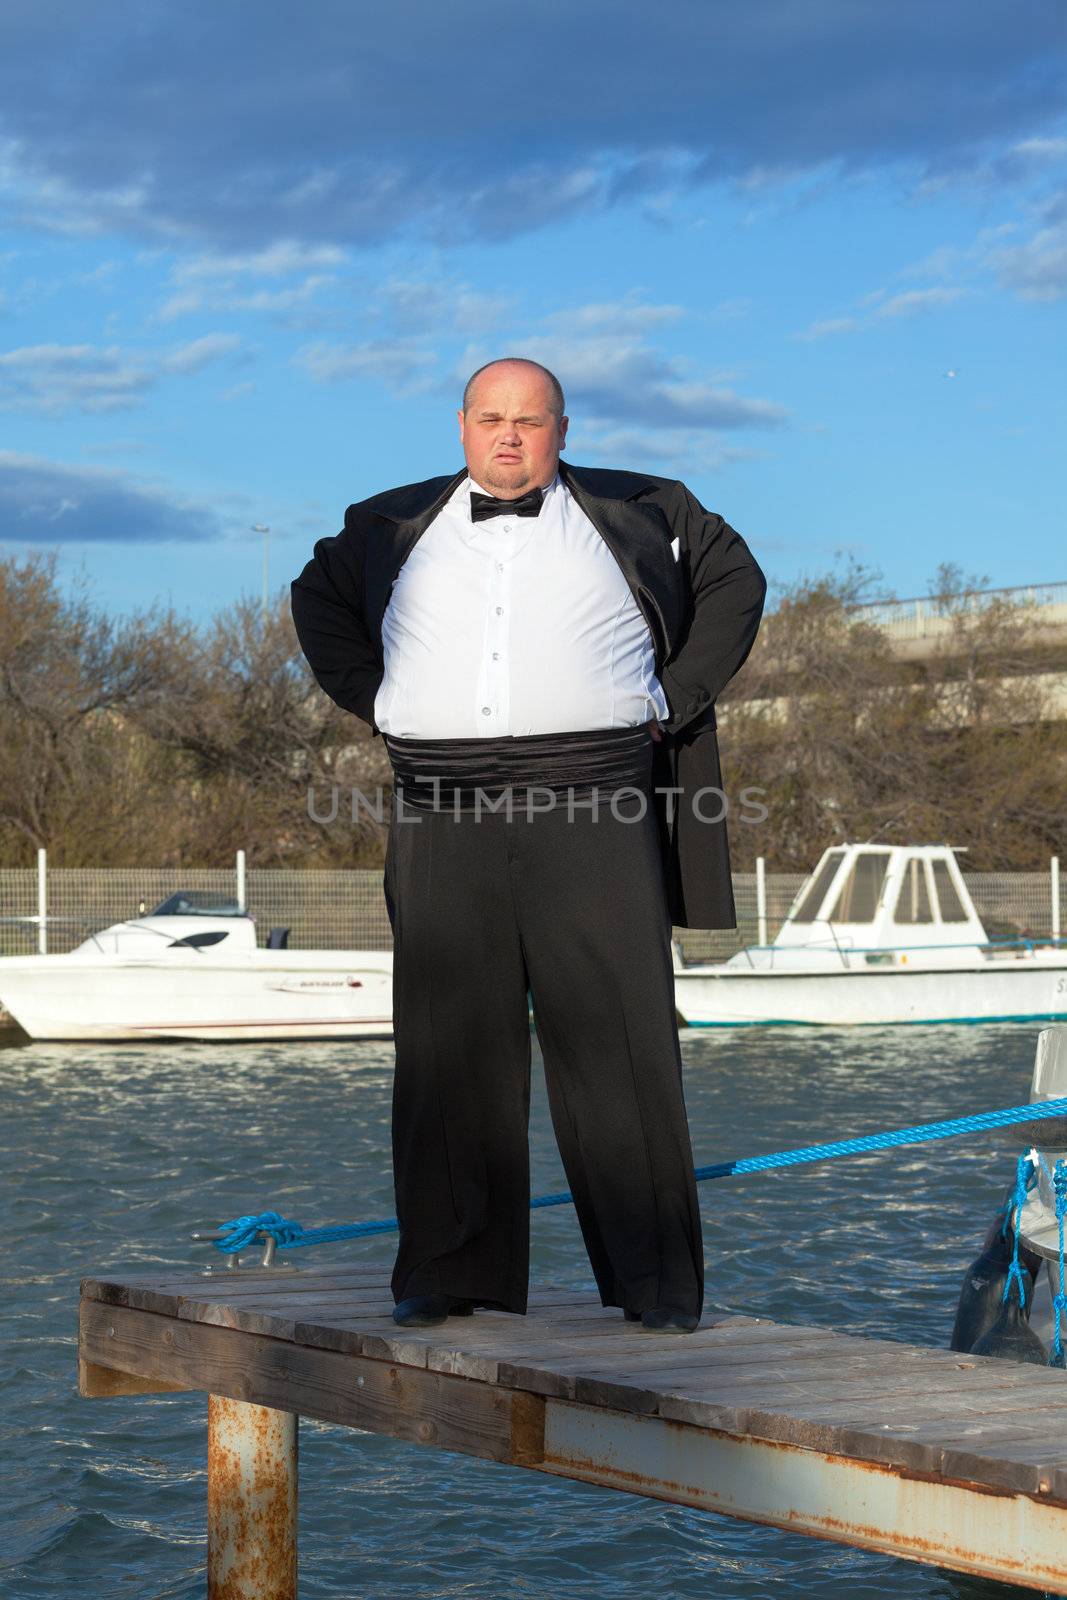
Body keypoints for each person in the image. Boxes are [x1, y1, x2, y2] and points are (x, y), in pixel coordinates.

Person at [290, 357, 766, 1334]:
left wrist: (672, 696)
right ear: (460, 426)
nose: (509, 437)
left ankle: (654, 1287)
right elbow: (315, 595)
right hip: (438, 797)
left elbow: (735, 579)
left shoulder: (645, 508)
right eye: (491, 418)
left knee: (617, 1041)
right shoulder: (385, 524)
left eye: (530, 421)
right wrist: (370, 695)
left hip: (592, 791)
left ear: (561, 429)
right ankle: (447, 1268)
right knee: (446, 1045)